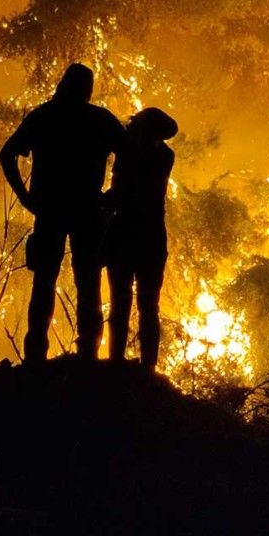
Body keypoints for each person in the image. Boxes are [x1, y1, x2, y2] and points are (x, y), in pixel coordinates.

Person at [0, 63, 126, 362]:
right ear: (87, 88)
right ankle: (88, 357)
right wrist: (115, 194)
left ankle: (35, 358)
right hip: (88, 211)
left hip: (50, 210)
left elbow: (6, 155)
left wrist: (25, 197)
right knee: (89, 283)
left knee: (44, 281)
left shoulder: (44, 116)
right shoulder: (99, 119)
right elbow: (131, 152)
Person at [104, 107, 177, 371]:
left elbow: (118, 192)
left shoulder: (129, 153)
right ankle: (147, 369)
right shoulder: (165, 155)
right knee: (148, 305)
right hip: (152, 238)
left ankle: (115, 363)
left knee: (121, 301)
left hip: (124, 234)